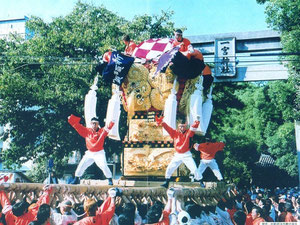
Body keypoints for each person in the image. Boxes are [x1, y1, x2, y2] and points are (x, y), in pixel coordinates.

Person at [68, 115, 115, 185]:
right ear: (91, 124)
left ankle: (110, 179)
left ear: (98, 124)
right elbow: (78, 126)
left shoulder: (102, 131)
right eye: (93, 123)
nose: (94, 125)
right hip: (90, 153)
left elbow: (108, 127)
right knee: (81, 165)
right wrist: (71, 119)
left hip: (99, 153)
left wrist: (113, 121)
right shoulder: (87, 131)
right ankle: (76, 179)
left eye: (95, 123)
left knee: (104, 166)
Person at [155, 116, 200, 188]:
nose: (182, 128)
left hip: (186, 154)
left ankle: (200, 181)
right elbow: (167, 128)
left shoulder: (189, 133)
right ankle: (166, 182)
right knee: (170, 168)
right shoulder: (174, 133)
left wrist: (197, 121)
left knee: (194, 169)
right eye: (180, 126)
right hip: (178, 154)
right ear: (178, 126)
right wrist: (162, 122)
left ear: (185, 125)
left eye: (183, 126)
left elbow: (193, 127)